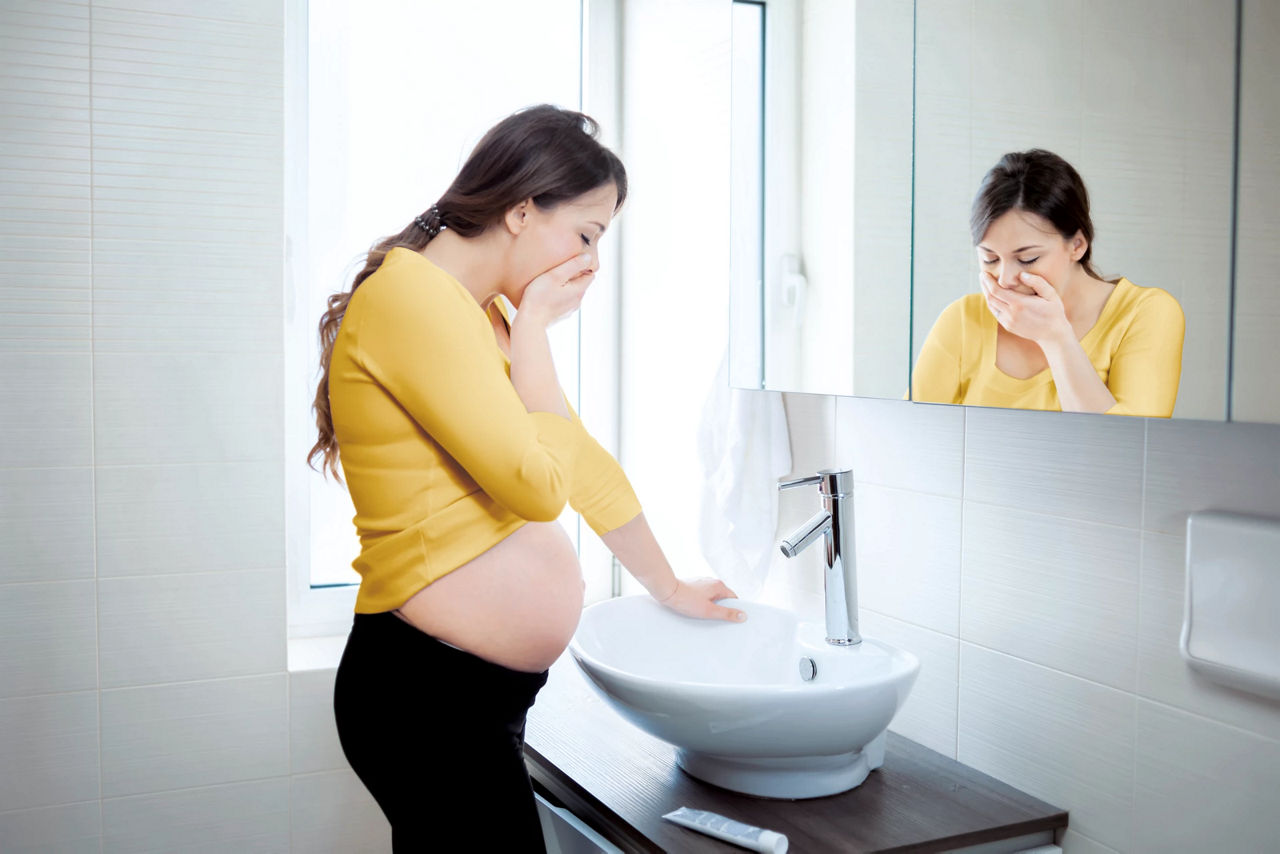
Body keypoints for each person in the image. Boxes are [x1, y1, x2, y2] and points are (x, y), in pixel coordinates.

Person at [309, 104, 745, 851]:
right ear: (519, 211)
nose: (592, 263)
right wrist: (537, 330)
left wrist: (668, 586)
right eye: (586, 234)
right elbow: (536, 488)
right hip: (425, 694)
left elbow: (575, 459)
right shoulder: (413, 298)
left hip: (462, 697)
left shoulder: (478, 315)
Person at [912, 149, 1185, 417]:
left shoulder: (1146, 313)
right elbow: (909, 436)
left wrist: (1055, 338)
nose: (1005, 279)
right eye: (990, 258)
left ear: (1077, 245)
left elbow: (1129, 452)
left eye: (1028, 259)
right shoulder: (963, 319)